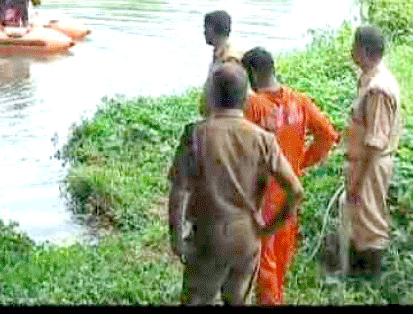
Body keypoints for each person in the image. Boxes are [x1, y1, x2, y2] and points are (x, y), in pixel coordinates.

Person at [168, 63, 304, 305]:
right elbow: (295, 190)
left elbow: (179, 191)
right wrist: (270, 228)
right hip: (247, 237)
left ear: (210, 95)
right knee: (238, 299)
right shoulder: (264, 139)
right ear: (245, 99)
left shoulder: (196, 134)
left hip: (208, 236)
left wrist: (177, 238)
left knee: (197, 299)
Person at [241, 47, 340, 304]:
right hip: (290, 192)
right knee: (280, 262)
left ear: (251, 73)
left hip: (261, 195)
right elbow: (328, 136)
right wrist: (299, 165)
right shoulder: (300, 101)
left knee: (265, 267)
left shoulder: (253, 106)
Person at [340, 25, 402, 279]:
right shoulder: (373, 80)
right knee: (361, 218)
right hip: (366, 161)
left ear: (362, 51)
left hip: (371, 163)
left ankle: (369, 281)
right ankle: (358, 275)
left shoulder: (378, 88)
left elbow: (375, 143)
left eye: (353, 46)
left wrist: (357, 182)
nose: (351, 51)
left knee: (370, 221)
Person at [199, 10, 244, 116]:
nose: (204, 32)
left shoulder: (230, 58)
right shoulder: (219, 53)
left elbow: (231, 95)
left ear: (211, 28)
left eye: (205, 28)